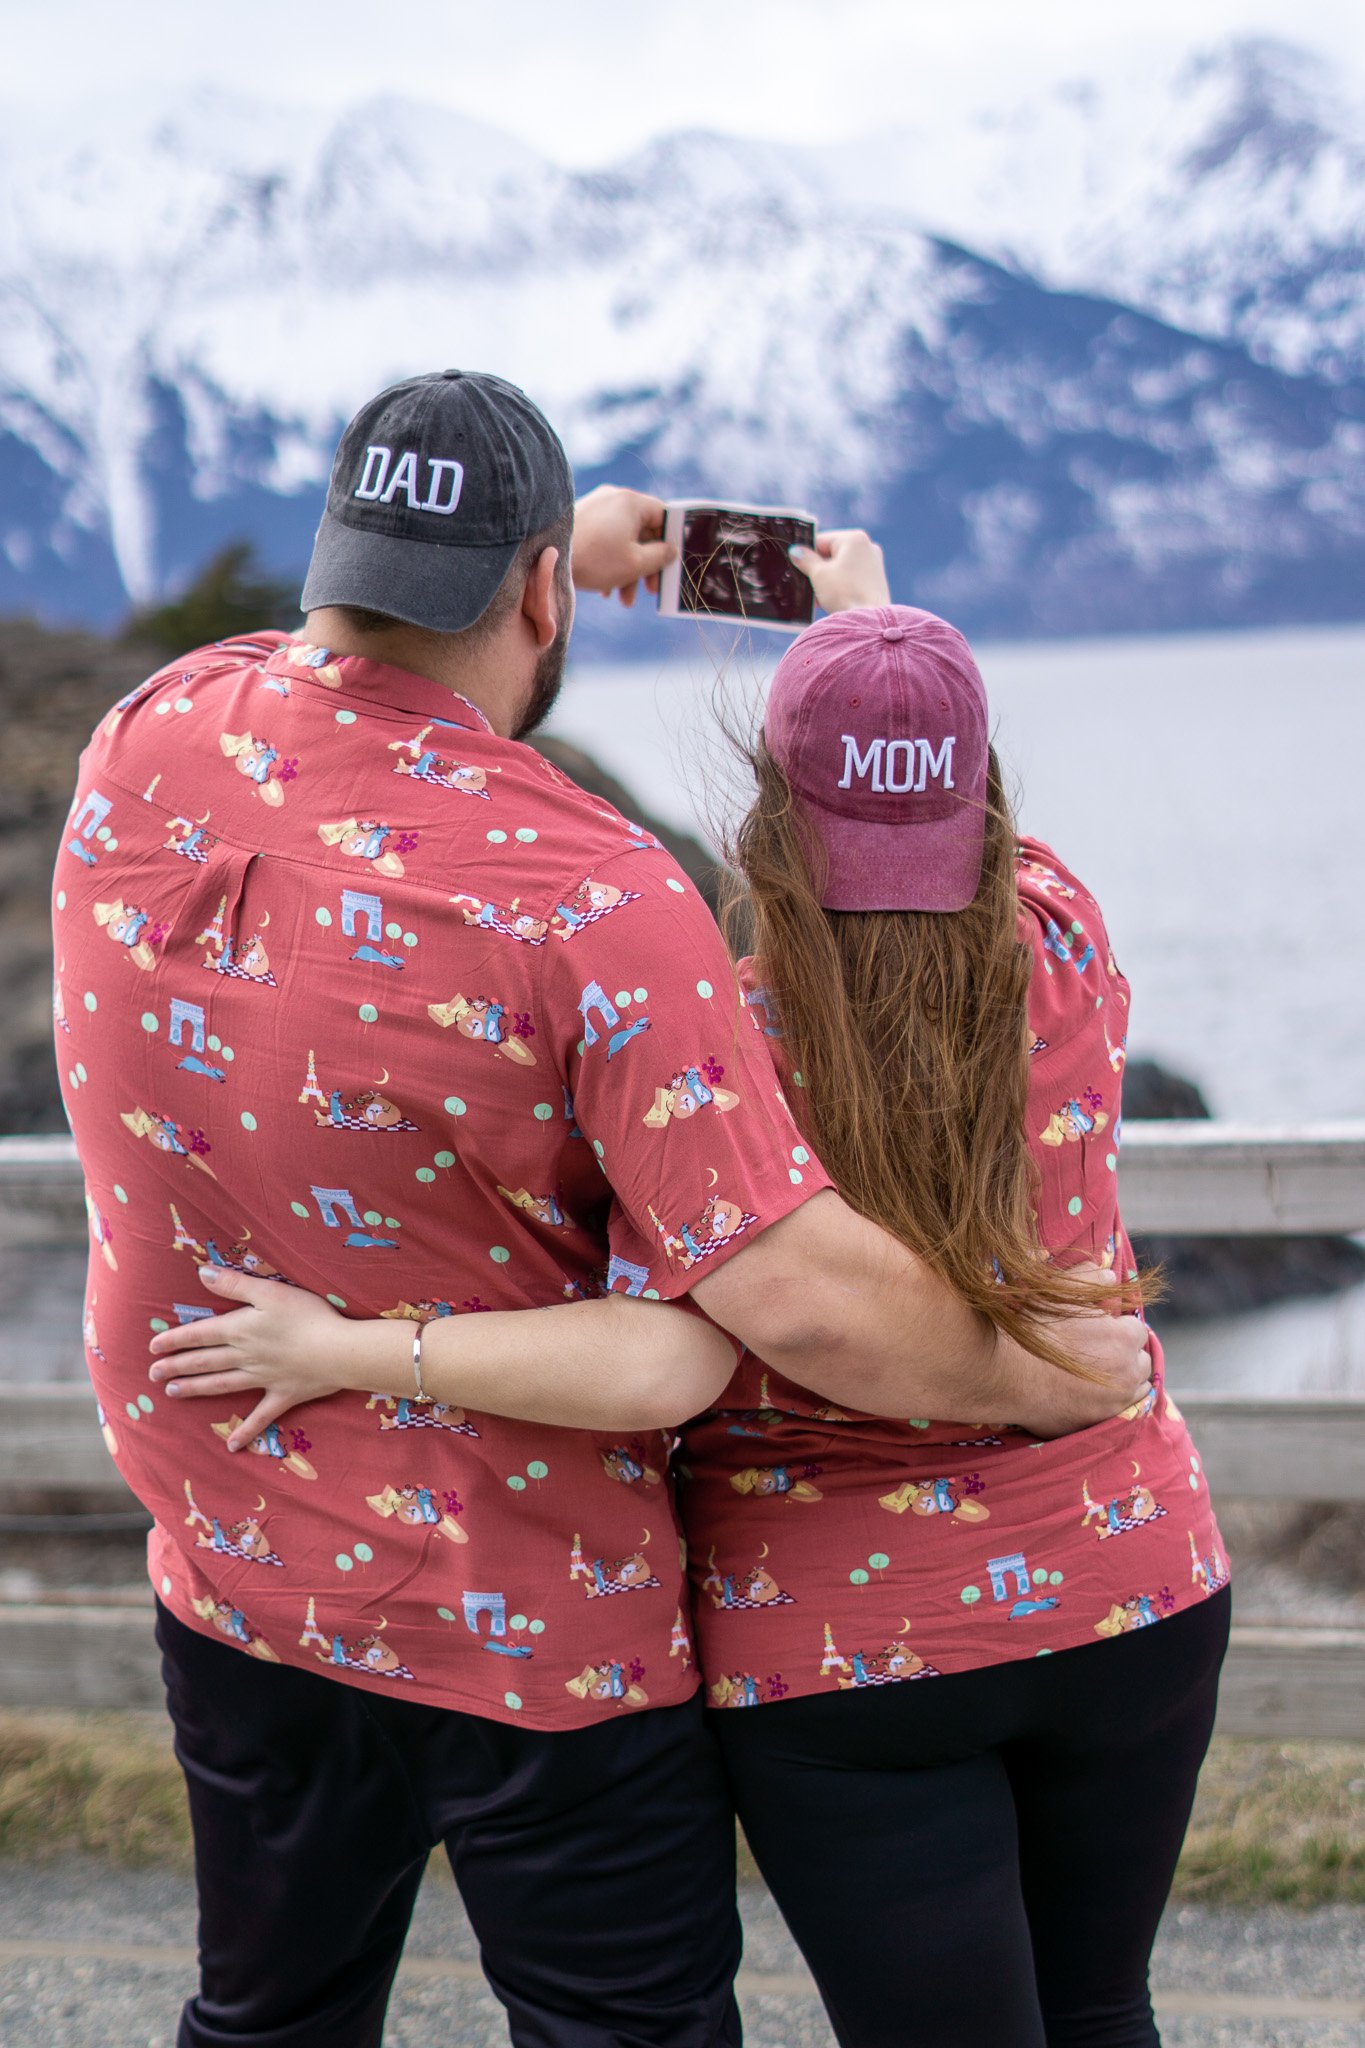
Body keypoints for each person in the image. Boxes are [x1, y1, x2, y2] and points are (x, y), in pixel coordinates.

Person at [57, 371, 1151, 2048]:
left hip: (243, 1566)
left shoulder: (148, 741)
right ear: (545, 593)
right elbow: (774, 1302)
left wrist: (569, 541)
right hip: (532, 1622)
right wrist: (1052, 1371)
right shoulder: (596, 896)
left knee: (268, 2018)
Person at [674, 533, 1232, 2048]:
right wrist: (879, 626)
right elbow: (951, 786)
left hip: (847, 1641)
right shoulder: (1065, 942)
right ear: (982, 802)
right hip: (1128, 1577)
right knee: (1100, 2008)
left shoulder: (711, 1050)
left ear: (772, 818)